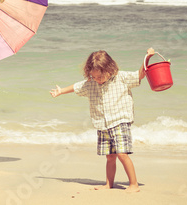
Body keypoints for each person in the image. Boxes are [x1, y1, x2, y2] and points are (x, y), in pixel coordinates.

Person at [50, 47, 155, 192]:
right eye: (94, 77)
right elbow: (76, 86)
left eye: (100, 77)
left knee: (122, 154)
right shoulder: (90, 83)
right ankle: (108, 184)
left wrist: (147, 58)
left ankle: (133, 184)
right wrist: (61, 91)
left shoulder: (121, 78)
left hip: (119, 121)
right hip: (103, 124)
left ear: (109, 70)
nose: (97, 80)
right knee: (110, 157)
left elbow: (140, 74)